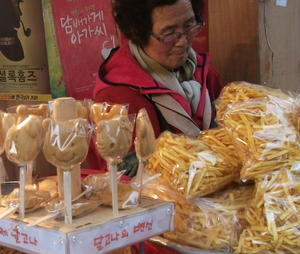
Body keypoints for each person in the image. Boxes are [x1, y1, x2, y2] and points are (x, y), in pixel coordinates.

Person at [88, 0, 223, 172]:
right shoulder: (117, 98)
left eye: (189, 25)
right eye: (169, 33)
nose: (183, 41)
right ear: (140, 33)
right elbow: (122, 179)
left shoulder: (206, 74)